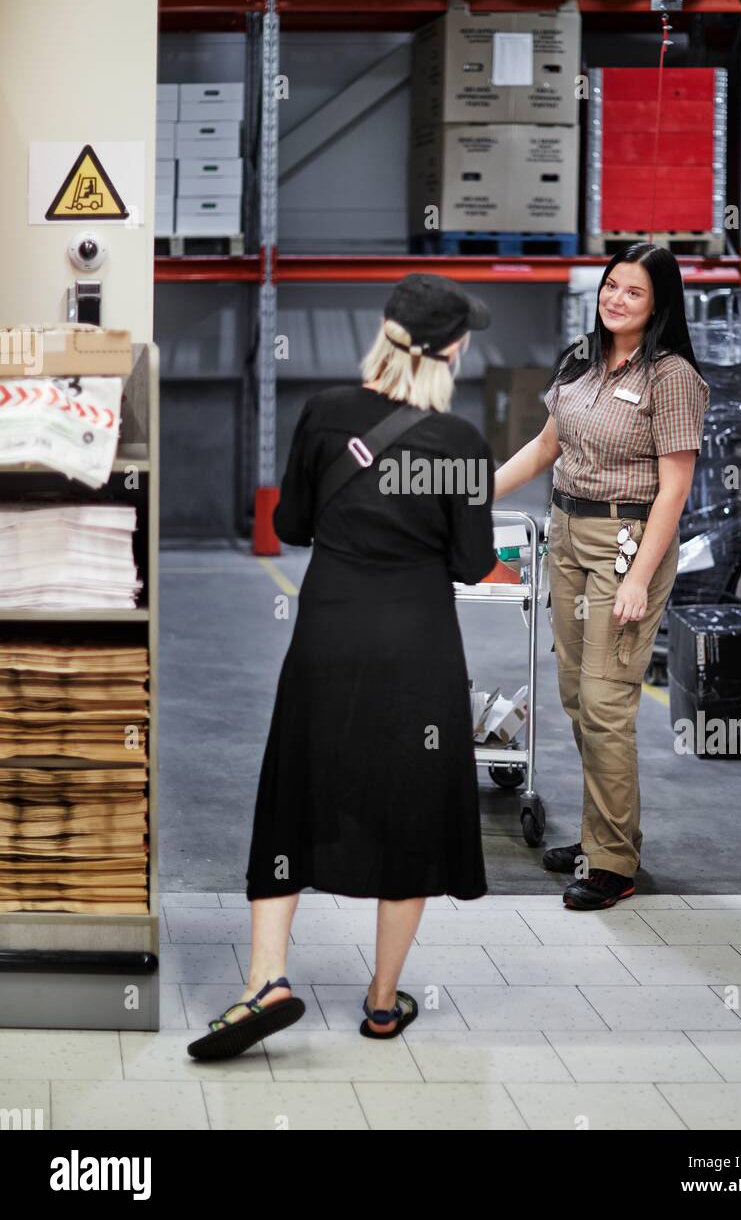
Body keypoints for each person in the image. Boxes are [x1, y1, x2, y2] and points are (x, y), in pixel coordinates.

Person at [188, 273, 496, 1060]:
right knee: (410, 805)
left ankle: (266, 979)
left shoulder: (325, 414)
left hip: (327, 632)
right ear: (451, 351)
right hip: (417, 646)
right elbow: (470, 562)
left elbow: (292, 522)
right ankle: (383, 1004)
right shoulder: (460, 442)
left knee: (298, 786)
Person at [493, 244, 709, 911]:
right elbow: (543, 448)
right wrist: (474, 500)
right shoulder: (580, 359)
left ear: (659, 304)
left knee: (608, 699)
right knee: (577, 697)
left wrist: (642, 578)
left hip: (627, 543)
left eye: (633, 292)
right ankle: (601, 837)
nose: (616, 299)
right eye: (611, 286)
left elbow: (676, 488)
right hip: (565, 535)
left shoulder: (671, 377)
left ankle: (612, 863)